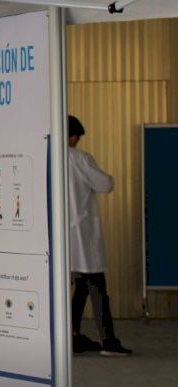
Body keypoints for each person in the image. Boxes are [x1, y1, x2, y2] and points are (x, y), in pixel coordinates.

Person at [67, 115, 131, 356]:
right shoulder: (79, 158)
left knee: (81, 286)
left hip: (62, 239)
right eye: (77, 137)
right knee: (97, 287)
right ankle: (109, 342)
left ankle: (73, 335)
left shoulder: (47, 157)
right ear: (73, 137)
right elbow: (105, 184)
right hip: (82, 237)